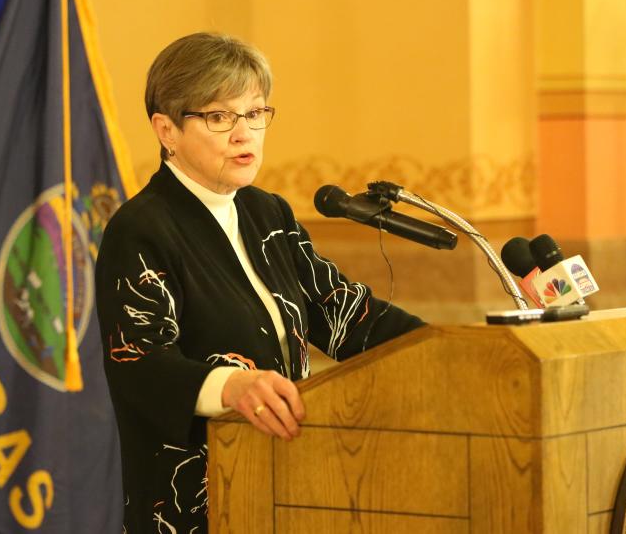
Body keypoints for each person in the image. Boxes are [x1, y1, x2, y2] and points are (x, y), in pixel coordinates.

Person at [95, 32, 425, 533]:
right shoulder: (142, 228)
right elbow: (138, 364)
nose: (244, 134)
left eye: (254, 113)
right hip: (191, 503)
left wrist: (454, 347)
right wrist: (232, 387)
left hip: (286, 487)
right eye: (218, 117)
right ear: (167, 131)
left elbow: (341, 313)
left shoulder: (268, 213)